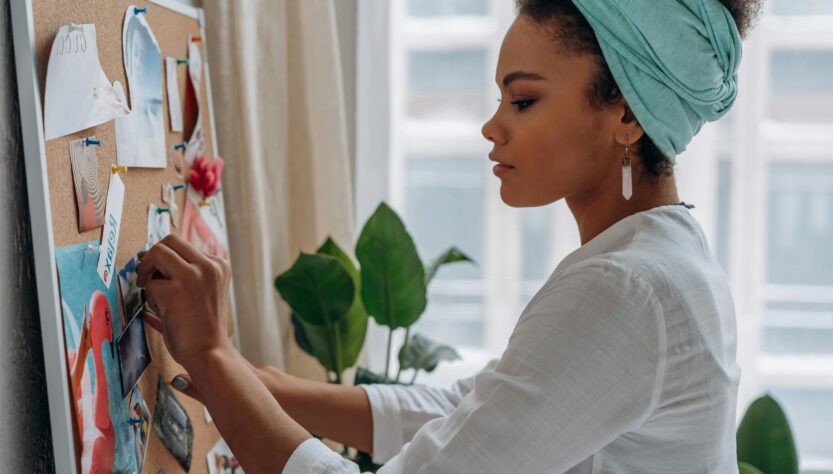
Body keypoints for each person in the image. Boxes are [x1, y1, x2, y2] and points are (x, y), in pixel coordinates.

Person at [138, 0, 763, 472]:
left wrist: (213, 357)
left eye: (523, 101)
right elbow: (476, 411)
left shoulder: (626, 289)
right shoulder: (666, 260)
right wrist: (269, 389)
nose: (492, 126)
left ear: (625, 112)